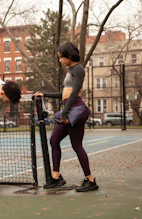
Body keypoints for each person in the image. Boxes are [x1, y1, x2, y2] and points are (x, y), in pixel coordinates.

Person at [35, 41, 99, 192]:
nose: (60, 60)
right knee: (54, 140)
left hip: (76, 110)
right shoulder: (71, 69)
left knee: (77, 145)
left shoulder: (78, 68)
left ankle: (90, 180)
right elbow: (64, 94)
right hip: (70, 110)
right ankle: (56, 177)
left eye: (61, 57)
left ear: (69, 55)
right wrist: (45, 94)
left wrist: (65, 113)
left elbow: (75, 90)